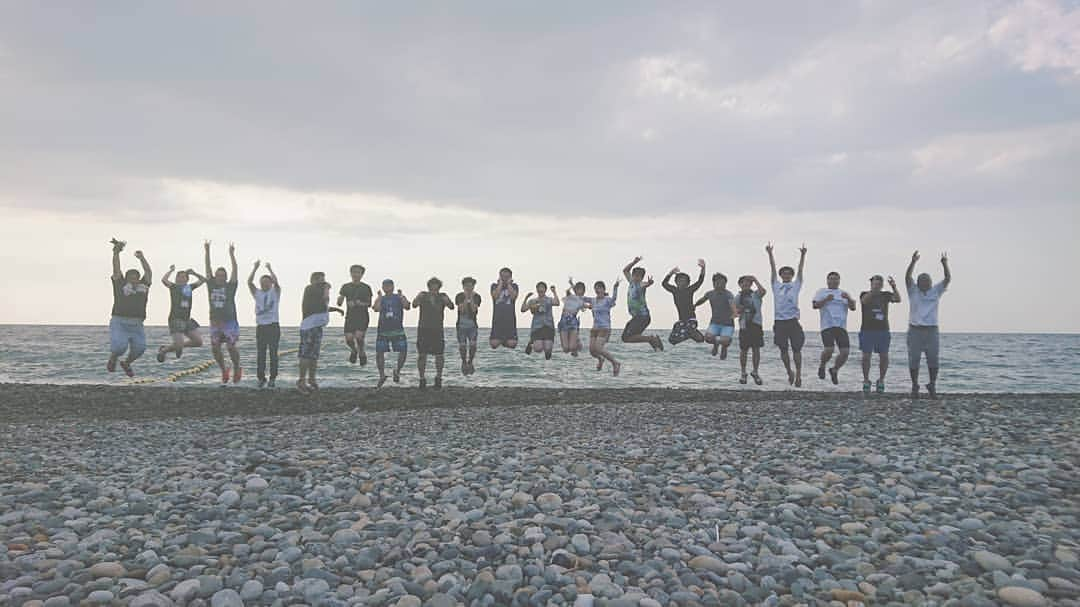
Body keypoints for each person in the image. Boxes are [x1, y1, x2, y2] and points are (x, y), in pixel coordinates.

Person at [905, 250, 951, 399]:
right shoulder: (913, 291)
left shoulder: (936, 291)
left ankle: (932, 384)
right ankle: (915, 385)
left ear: (931, 283)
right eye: (922, 281)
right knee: (914, 358)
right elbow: (907, 277)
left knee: (933, 358)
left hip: (932, 330)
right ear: (918, 283)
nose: (924, 283)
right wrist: (913, 262)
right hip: (915, 330)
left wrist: (944, 264)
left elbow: (947, 278)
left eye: (927, 281)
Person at [107, 239, 152, 377]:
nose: (133, 279)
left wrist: (142, 258)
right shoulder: (120, 284)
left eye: (136, 277)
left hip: (137, 323)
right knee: (119, 347)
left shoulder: (143, 287)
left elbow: (148, 272)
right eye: (130, 277)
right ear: (126, 278)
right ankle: (113, 358)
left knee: (140, 349)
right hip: (120, 321)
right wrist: (116, 253)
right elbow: (116, 268)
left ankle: (126, 363)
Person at [767, 242, 807, 387]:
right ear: (781, 275)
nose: (786, 275)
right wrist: (770, 254)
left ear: (792, 276)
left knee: (797, 349)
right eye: (784, 273)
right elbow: (772, 268)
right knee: (783, 350)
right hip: (779, 322)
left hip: (793, 321)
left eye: (789, 273)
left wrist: (803, 255)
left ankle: (799, 375)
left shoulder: (796, 285)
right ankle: (789, 371)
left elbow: (801, 270)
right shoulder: (776, 285)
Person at [204, 241, 242, 385]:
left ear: (225, 277)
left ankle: (237, 368)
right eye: (218, 275)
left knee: (231, 346)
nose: (220, 277)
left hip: (230, 321)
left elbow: (235, 270)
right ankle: (224, 369)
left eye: (222, 275)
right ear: (215, 276)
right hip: (215, 322)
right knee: (215, 348)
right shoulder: (211, 284)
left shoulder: (231, 286)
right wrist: (207, 251)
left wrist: (232, 254)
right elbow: (207, 268)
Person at [298, 272, 341, 392]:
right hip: (309, 326)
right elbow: (324, 298)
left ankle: (312, 379)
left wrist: (337, 310)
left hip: (317, 327)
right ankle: (302, 380)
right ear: (313, 280)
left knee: (314, 355)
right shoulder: (310, 288)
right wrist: (326, 286)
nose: (323, 284)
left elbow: (323, 306)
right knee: (305, 354)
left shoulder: (318, 294)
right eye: (320, 281)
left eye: (323, 281)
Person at [859, 274, 902, 394]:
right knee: (866, 356)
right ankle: (866, 380)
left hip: (883, 330)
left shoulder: (885, 295)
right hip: (867, 330)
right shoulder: (864, 294)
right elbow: (864, 301)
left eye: (879, 284)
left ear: (882, 285)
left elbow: (898, 299)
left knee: (884, 356)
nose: (877, 286)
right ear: (871, 284)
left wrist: (894, 287)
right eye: (875, 284)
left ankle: (881, 380)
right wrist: (873, 291)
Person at [813, 272, 857, 385]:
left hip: (841, 327)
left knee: (845, 352)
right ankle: (822, 365)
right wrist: (826, 299)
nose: (833, 281)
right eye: (831, 279)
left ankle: (834, 369)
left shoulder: (844, 293)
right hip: (827, 326)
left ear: (839, 281)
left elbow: (853, 308)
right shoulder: (822, 292)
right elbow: (815, 305)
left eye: (836, 279)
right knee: (829, 349)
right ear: (827, 280)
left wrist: (849, 299)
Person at [157, 265, 206, 362]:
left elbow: (203, 280)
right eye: (179, 277)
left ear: (187, 279)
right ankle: (167, 350)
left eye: (183, 277)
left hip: (187, 319)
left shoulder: (189, 287)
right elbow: (164, 280)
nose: (181, 279)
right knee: (178, 347)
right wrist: (171, 271)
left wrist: (194, 273)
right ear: (176, 279)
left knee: (198, 342)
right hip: (175, 319)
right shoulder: (174, 287)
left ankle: (165, 349)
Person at [413, 277, 455, 389]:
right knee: (422, 355)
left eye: (436, 286)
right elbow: (414, 304)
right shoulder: (423, 295)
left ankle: (438, 378)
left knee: (439, 355)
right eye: (432, 286)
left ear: (439, 287)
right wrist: (418, 298)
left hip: (437, 329)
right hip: (423, 328)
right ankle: (422, 379)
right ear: (429, 286)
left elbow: (451, 307)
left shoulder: (442, 296)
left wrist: (447, 301)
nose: (434, 288)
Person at [248, 260, 281, 388]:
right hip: (261, 327)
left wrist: (270, 269)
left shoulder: (275, 292)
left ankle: (273, 378)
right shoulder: (258, 293)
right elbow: (249, 283)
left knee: (273, 353)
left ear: (270, 283)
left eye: (266, 282)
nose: (264, 285)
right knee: (261, 353)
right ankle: (261, 378)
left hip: (273, 325)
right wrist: (255, 268)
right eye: (262, 283)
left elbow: (276, 282)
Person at [374, 279, 412, 387]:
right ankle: (382, 375)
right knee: (379, 353)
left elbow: (407, 307)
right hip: (383, 330)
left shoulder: (398, 297)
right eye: (385, 286)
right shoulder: (381, 298)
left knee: (403, 351)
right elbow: (376, 309)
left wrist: (402, 296)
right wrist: (379, 298)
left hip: (397, 329)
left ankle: (397, 371)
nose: (387, 288)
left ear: (393, 286)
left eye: (389, 286)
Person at [621, 256, 663, 350]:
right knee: (625, 338)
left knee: (627, 337)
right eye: (635, 275)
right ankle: (652, 340)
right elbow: (625, 270)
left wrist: (649, 283)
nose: (636, 277)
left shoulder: (641, 284)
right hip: (637, 317)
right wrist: (634, 262)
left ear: (642, 277)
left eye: (639, 276)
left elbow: (645, 285)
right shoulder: (631, 282)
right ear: (633, 275)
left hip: (642, 317)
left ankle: (651, 339)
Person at [662, 259, 707, 346]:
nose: (681, 283)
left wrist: (703, 268)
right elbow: (664, 284)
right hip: (681, 321)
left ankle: (694, 334)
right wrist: (670, 273)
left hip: (691, 320)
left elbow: (700, 281)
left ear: (688, 283)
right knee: (672, 341)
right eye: (679, 281)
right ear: (676, 282)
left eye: (684, 281)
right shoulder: (674, 290)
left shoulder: (689, 290)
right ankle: (692, 335)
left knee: (698, 339)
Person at [583, 278, 621, 376]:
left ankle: (615, 363)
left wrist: (615, 287)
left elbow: (614, 299)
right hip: (595, 328)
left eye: (599, 288)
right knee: (592, 351)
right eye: (596, 288)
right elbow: (582, 298)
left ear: (603, 290)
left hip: (605, 327)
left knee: (599, 348)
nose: (597, 290)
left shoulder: (607, 300)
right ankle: (601, 359)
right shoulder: (593, 300)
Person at [695, 272, 736, 358]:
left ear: (725, 284)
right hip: (715, 322)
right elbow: (702, 300)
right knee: (707, 338)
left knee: (725, 341)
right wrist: (694, 305)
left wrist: (734, 312)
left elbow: (732, 304)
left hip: (727, 324)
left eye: (722, 283)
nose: (719, 284)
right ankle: (716, 344)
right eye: (717, 282)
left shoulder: (728, 294)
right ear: (713, 283)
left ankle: (724, 347)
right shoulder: (710, 293)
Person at [338, 264, 373, 365]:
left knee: (358, 337)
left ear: (362, 274)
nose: (355, 274)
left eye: (358, 272)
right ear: (350, 273)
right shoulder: (345, 286)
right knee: (349, 339)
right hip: (350, 317)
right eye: (354, 272)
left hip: (362, 316)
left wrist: (359, 303)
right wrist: (340, 299)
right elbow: (339, 302)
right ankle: (354, 350)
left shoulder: (366, 287)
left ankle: (362, 352)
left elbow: (369, 304)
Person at [735, 275, 767, 385]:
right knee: (744, 350)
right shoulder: (737, 297)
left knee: (756, 349)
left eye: (748, 282)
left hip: (756, 324)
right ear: (740, 284)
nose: (746, 284)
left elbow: (763, 291)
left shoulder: (756, 295)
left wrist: (755, 279)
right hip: (744, 325)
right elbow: (734, 312)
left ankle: (755, 372)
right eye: (743, 282)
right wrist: (740, 309)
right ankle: (743, 373)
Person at [522, 282, 560, 359]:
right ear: (537, 290)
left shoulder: (549, 300)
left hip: (548, 326)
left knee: (548, 348)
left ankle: (548, 354)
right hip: (537, 327)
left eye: (542, 288)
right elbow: (523, 309)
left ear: (545, 290)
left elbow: (557, 303)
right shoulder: (533, 300)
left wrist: (554, 292)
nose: (540, 289)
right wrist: (526, 298)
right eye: (539, 288)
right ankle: (531, 344)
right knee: (538, 349)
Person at [455, 277, 482, 375]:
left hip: (472, 326)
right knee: (462, 346)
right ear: (463, 286)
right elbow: (461, 310)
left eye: (470, 286)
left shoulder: (477, 296)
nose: (468, 288)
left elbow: (474, 310)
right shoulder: (459, 296)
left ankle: (470, 362)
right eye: (466, 286)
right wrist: (466, 298)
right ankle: (463, 362)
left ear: (473, 286)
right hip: (461, 325)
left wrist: (471, 299)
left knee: (473, 345)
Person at [489, 268, 519, 349]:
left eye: (507, 277)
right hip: (497, 319)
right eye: (503, 276)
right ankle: (501, 340)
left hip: (510, 320)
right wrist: (500, 284)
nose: (505, 278)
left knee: (512, 344)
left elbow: (513, 296)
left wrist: (509, 284)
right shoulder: (494, 286)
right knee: (494, 345)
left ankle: (505, 341)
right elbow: (495, 296)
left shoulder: (514, 286)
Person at [559, 278, 588, 355]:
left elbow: (589, 306)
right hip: (564, 321)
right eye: (578, 289)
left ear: (583, 291)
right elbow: (567, 291)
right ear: (575, 290)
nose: (580, 291)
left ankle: (576, 341)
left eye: (581, 290)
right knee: (565, 349)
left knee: (572, 347)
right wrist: (572, 285)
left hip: (573, 321)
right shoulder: (570, 296)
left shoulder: (582, 301)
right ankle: (575, 339)